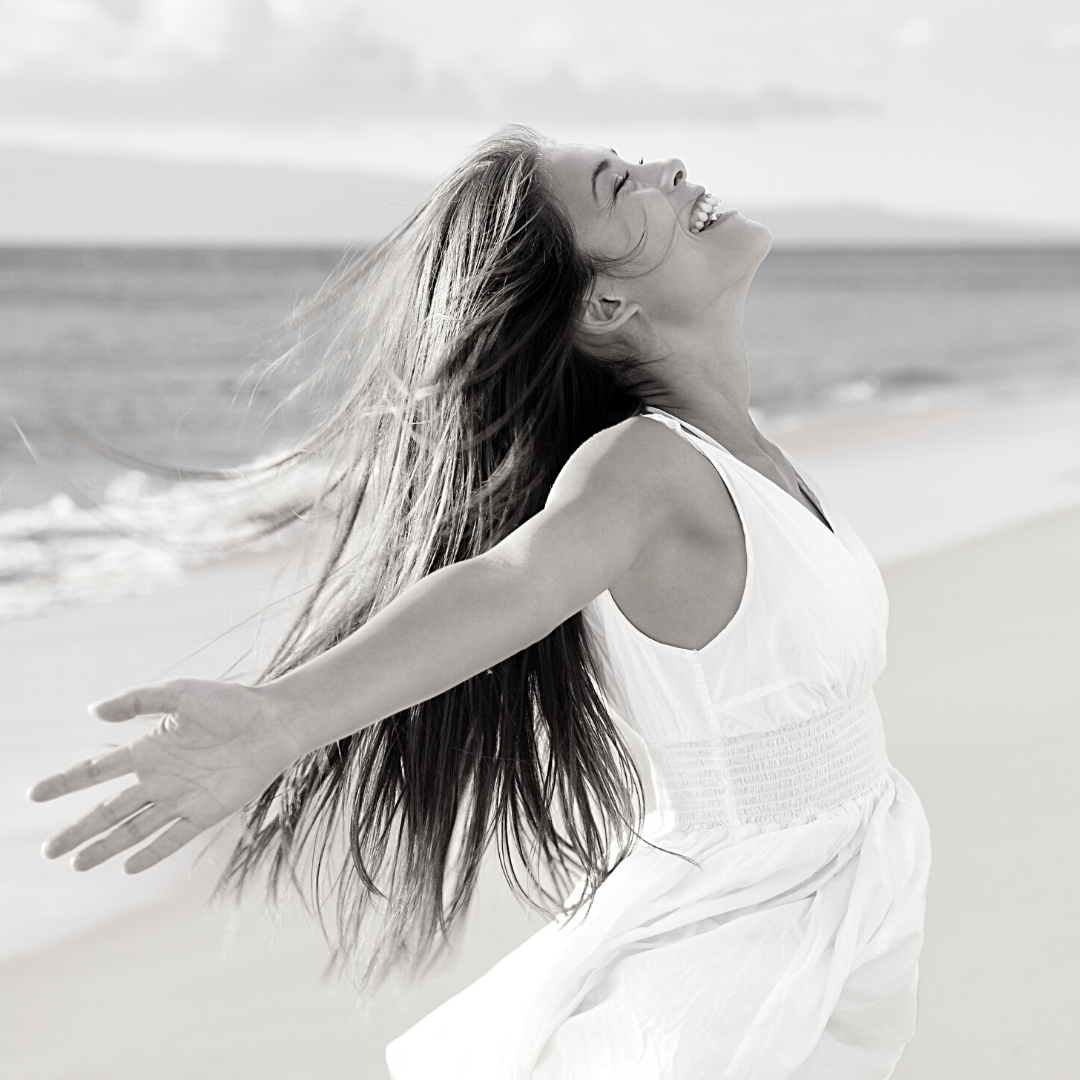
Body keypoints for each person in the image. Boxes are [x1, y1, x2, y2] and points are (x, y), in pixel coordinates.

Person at [30, 127, 930, 1078]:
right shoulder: (645, 467)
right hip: (737, 929)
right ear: (606, 299)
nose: (667, 168)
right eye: (619, 184)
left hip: (835, 887)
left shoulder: (751, 457)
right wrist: (281, 719)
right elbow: (513, 580)